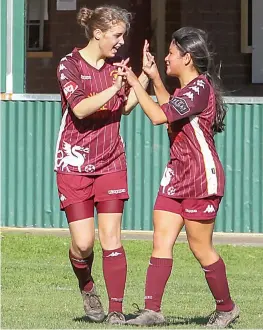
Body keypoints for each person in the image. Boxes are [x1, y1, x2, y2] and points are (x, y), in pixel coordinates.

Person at [115, 27, 240, 328]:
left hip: (200, 177)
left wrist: (135, 81)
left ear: (187, 57)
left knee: (200, 248)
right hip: (176, 175)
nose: (166, 58)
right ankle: (153, 310)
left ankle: (226, 308)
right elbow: (170, 108)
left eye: (171, 53)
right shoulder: (186, 91)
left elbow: (159, 116)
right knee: (161, 240)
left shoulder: (200, 88)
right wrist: (155, 77)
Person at [54, 5, 149, 324]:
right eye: (117, 35)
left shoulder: (117, 67)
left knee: (112, 239)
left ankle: (117, 310)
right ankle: (87, 284)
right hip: (74, 164)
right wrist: (114, 86)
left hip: (111, 163)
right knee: (83, 244)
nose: (122, 42)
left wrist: (143, 82)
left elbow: (124, 109)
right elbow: (80, 109)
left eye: (124, 35)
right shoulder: (69, 64)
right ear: (98, 33)